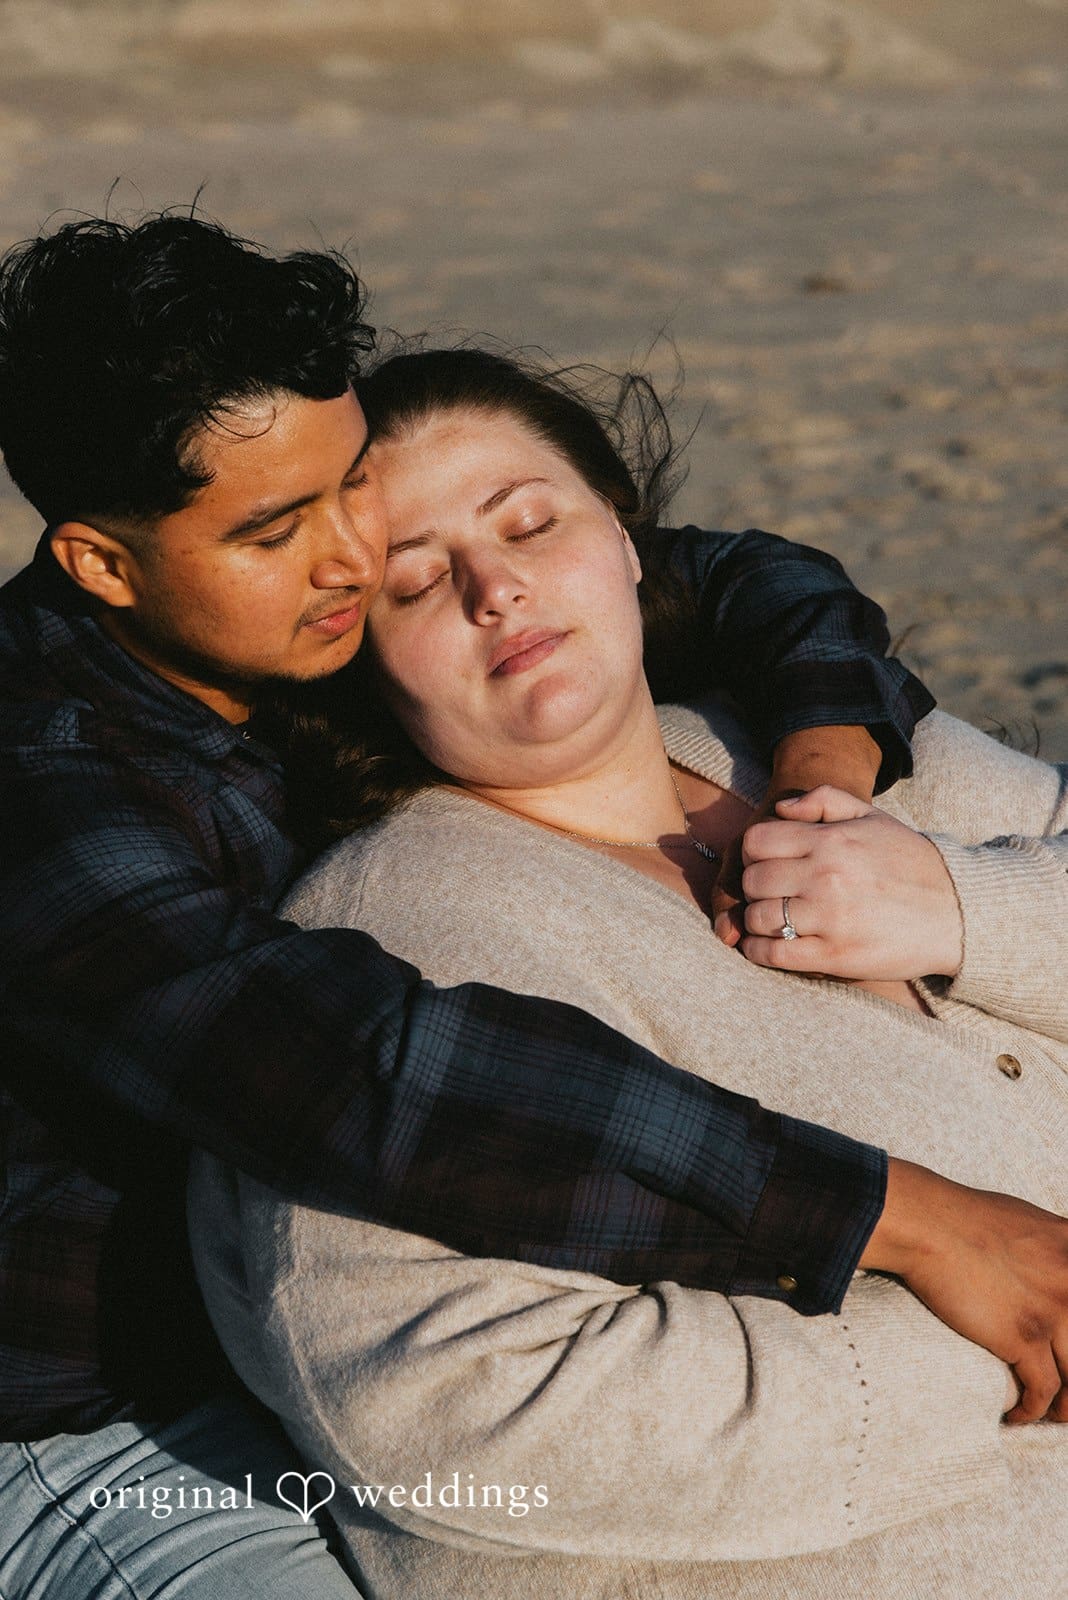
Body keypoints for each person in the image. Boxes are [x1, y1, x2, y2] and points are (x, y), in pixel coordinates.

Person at [0, 213, 935, 1597]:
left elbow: (743, 578)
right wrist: (897, 1216)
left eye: (346, 489)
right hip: (103, 1428)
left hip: (330, 1359)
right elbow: (367, 1072)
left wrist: (823, 784)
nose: (349, 561)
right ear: (102, 564)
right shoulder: (46, 792)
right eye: (274, 528)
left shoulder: (287, 608)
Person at [189, 347, 1068, 1600]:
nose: (496, 586)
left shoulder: (831, 745)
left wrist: (964, 907)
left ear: (628, 537)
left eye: (530, 522)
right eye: (417, 578)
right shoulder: (388, 940)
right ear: (353, 647)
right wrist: (994, 1352)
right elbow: (433, 1411)